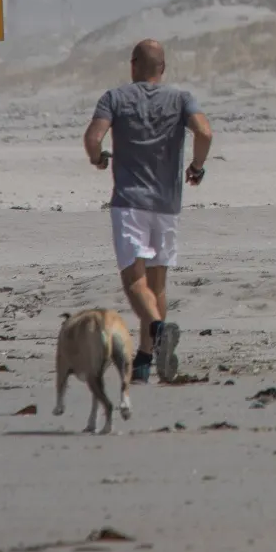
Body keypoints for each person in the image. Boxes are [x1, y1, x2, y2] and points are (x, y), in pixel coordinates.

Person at [83, 39, 212, 384]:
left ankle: (159, 329)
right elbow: (204, 131)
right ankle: (144, 358)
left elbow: (93, 139)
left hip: (130, 202)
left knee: (134, 280)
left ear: (133, 64)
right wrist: (196, 167)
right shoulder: (182, 98)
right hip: (167, 204)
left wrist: (97, 160)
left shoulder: (115, 98)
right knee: (158, 284)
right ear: (163, 68)